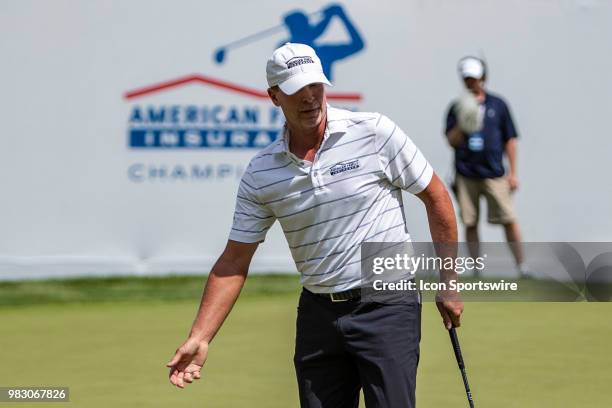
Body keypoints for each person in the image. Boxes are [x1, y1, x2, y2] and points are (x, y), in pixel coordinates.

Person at [167, 42, 462, 408]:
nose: (309, 98)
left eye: (315, 87)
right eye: (296, 91)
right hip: (318, 314)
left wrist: (449, 283)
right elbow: (233, 261)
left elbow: (436, 197)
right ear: (274, 97)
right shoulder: (262, 173)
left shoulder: (373, 132)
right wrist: (201, 336)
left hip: (386, 303)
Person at [445, 56, 528, 277]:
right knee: (470, 222)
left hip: (494, 173)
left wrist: (513, 173)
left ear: (483, 77)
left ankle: (522, 266)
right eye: (467, 79)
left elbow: (510, 139)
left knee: (508, 219)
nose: (471, 82)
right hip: (466, 173)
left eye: (475, 78)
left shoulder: (498, 105)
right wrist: (463, 123)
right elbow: (451, 141)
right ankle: (476, 269)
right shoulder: (457, 106)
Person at [282, 4, 364, 80]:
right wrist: (333, 17)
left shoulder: (324, 52)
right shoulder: (286, 50)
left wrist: (331, 17)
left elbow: (358, 45)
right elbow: (310, 35)